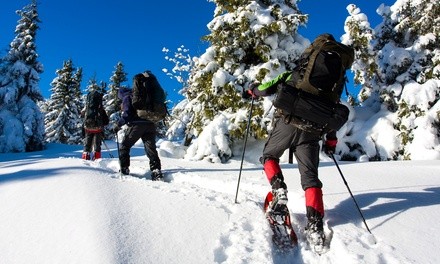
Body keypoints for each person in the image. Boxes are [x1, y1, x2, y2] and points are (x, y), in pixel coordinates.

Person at [243, 74, 338, 246]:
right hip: (312, 131)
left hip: (288, 122)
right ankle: (315, 226)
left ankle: (279, 190)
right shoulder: (332, 86)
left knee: (269, 156)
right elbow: (332, 115)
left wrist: (253, 91)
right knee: (311, 178)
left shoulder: (295, 73)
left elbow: (266, 88)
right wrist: (331, 141)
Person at [114, 83, 163, 180]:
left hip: (137, 125)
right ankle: (156, 170)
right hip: (151, 125)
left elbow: (127, 114)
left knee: (124, 145)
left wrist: (118, 124)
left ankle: (124, 168)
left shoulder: (127, 97)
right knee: (151, 148)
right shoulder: (143, 95)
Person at [82, 90, 109, 160]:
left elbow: (83, 117)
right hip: (98, 129)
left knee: (87, 144)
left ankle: (85, 158)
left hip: (88, 128)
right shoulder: (100, 109)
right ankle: (97, 159)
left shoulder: (87, 108)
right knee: (97, 145)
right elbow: (106, 121)